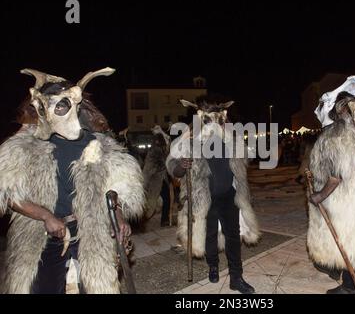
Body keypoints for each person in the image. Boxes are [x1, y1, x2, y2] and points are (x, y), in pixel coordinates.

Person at [0, 68, 144, 293]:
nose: (52, 113)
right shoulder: (25, 147)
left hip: (91, 229)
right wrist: (46, 216)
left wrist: (119, 218)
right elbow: (8, 194)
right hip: (41, 233)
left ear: (75, 103)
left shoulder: (101, 147)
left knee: (98, 286)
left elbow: (113, 194)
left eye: (60, 105)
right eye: (46, 107)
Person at [166, 98, 260, 294]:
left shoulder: (229, 136)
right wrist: (181, 167)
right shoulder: (189, 139)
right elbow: (172, 166)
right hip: (205, 198)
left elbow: (246, 157)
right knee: (208, 235)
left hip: (229, 195)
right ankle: (213, 266)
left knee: (233, 236)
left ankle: (236, 276)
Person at [307, 76, 355, 294]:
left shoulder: (335, 134)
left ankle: (350, 286)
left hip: (343, 201)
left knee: (347, 240)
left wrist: (319, 196)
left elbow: (335, 175)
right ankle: (338, 271)